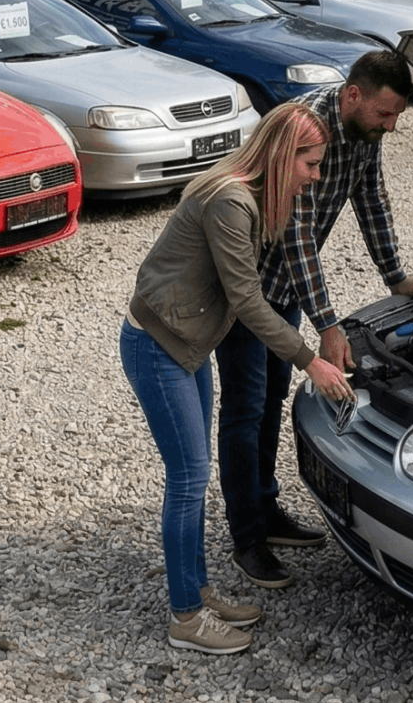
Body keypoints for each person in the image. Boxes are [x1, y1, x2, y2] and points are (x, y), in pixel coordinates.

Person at [124, 102, 351, 654]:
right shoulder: (230, 199)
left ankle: (198, 591)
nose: (316, 177)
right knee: (188, 479)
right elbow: (247, 299)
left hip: (187, 345)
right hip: (157, 346)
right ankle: (185, 617)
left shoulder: (251, 192)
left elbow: (291, 258)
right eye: (311, 164)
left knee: (194, 474)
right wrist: (310, 359)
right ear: (282, 155)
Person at [218, 50, 413, 588]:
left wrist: (395, 276)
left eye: (396, 116)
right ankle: (247, 538)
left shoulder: (364, 133)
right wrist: (327, 326)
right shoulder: (305, 129)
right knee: (244, 409)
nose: (390, 126)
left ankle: (266, 509)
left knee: (271, 399)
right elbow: (298, 237)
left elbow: (371, 199)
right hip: (247, 293)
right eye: (384, 114)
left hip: (286, 289)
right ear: (353, 94)